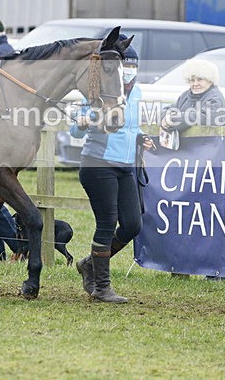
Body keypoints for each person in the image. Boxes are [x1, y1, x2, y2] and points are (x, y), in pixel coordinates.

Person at [72, 42, 153, 303]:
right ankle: (101, 287)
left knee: (132, 225)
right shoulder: (98, 92)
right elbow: (75, 130)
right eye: (125, 65)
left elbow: (131, 128)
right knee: (106, 224)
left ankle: (89, 265)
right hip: (98, 165)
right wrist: (82, 122)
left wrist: (141, 137)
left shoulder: (138, 92)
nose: (129, 70)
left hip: (126, 166)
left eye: (133, 65)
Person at [161, 58, 225, 134]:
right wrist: (166, 117)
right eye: (192, 80)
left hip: (208, 144)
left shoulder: (215, 98)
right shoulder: (185, 96)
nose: (195, 84)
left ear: (210, 80)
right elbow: (166, 110)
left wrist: (172, 119)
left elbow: (204, 118)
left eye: (200, 80)